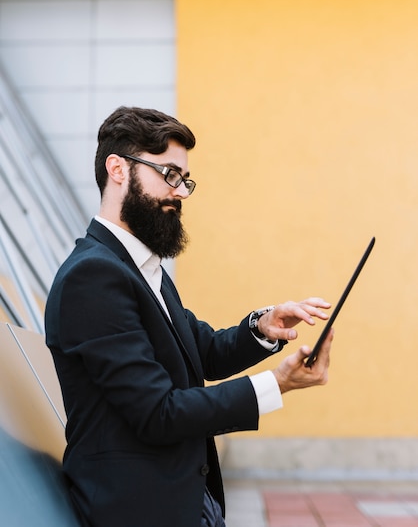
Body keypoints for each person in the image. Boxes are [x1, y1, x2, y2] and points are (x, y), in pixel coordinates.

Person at [45, 106, 333, 527]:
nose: (180, 191)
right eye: (169, 174)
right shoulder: (93, 276)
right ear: (118, 169)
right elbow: (158, 413)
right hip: (140, 511)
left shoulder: (139, 268)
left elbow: (202, 350)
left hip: (184, 499)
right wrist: (278, 384)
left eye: (184, 180)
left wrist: (263, 326)